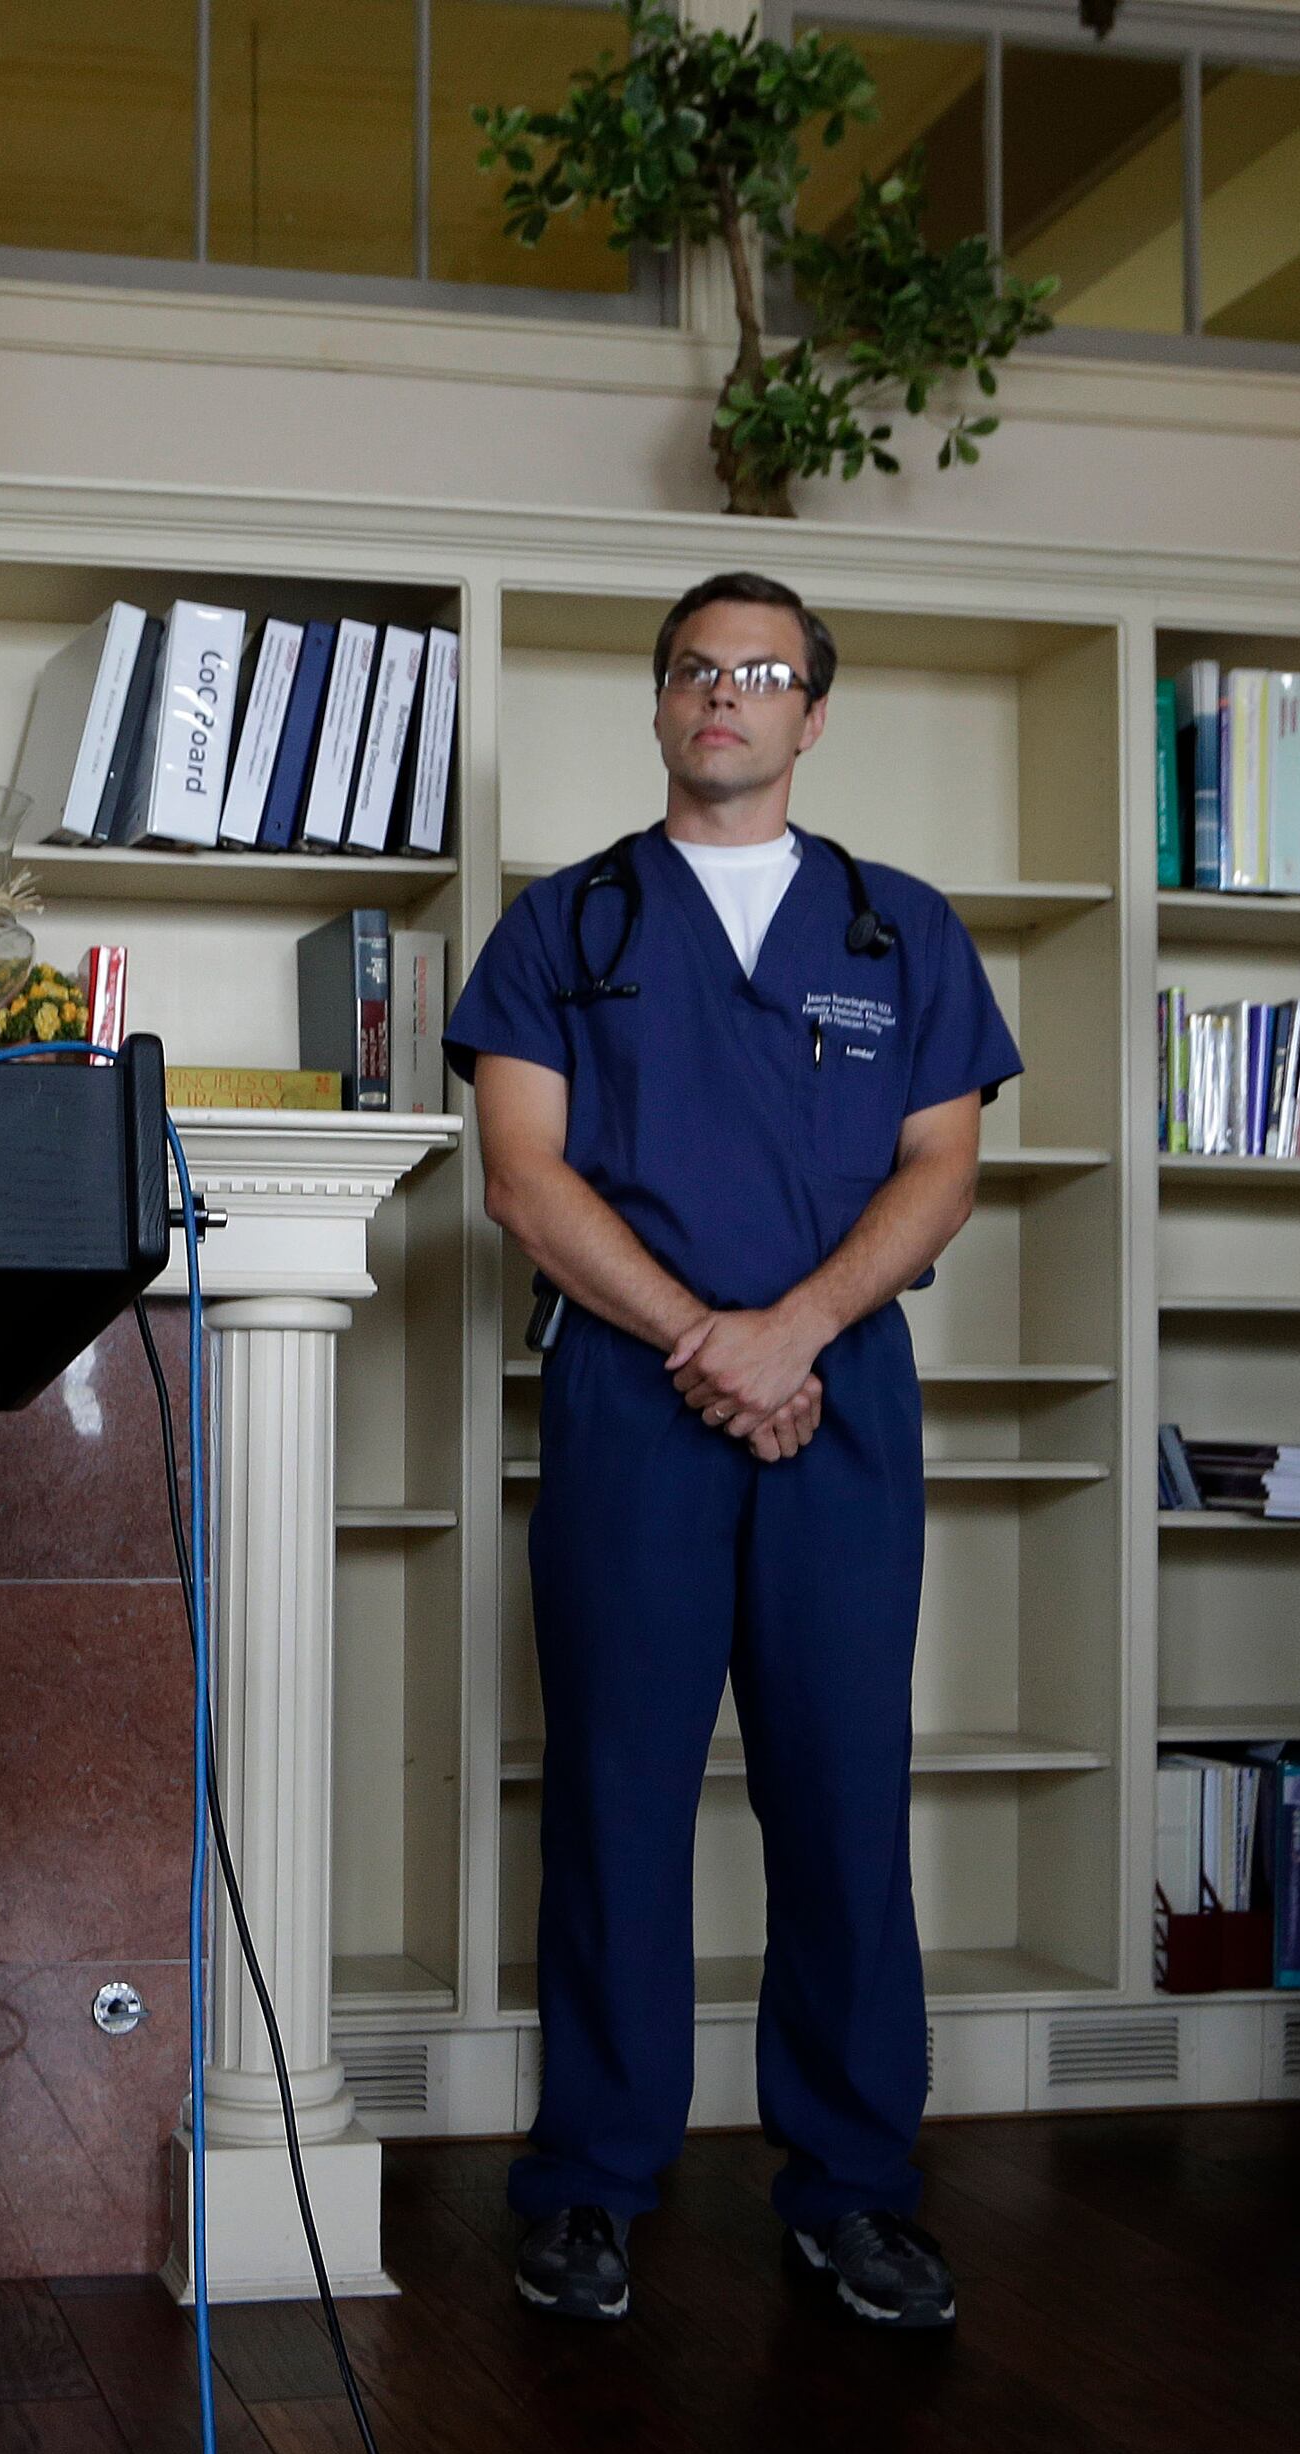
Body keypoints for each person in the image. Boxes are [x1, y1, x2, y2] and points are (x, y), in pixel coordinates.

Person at [445, 572, 1020, 2332]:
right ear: (660, 700)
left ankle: (853, 2189)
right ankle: (591, 2187)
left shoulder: (898, 930)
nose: (729, 695)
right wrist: (708, 1338)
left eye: (765, 673)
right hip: (635, 1401)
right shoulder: (572, 926)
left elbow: (943, 1170)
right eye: (700, 669)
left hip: (841, 1398)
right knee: (616, 1797)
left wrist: (795, 1334)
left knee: (843, 1798)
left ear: (812, 715)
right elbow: (522, 1177)